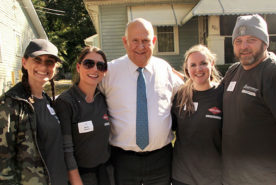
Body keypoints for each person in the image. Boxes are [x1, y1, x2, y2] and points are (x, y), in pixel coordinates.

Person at [99, 18, 183, 185]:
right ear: (125, 42)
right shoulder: (109, 72)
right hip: (123, 160)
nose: (141, 46)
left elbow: (187, 90)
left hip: (161, 159)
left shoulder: (164, 68)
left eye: (145, 41)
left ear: (154, 41)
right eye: (135, 41)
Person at [222, 14, 276, 185]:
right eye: (238, 41)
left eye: (251, 40)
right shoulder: (234, 71)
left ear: (265, 42)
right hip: (232, 177)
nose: (244, 46)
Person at [0, 39, 68, 185]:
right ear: (24, 62)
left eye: (49, 61)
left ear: (55, 68)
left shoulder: (47, 100)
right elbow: (3, 160)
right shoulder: (11, 102)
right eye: (37, 60)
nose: (43, 66)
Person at [54, 46, 112, 185]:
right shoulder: (65, 102)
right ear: (79, 67)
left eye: (100, 65)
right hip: (82, 176)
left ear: (104, 72)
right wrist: (75, 179)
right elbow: (66, 148)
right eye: (89, 64)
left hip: (106, 173)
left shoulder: (103, 99)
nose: (94, 69)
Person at [171, 44, 223, 185]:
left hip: (213, 177)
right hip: (182, 176)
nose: (198, 69)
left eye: (203, 63)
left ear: (211, 64)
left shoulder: (222, 94)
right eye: (193, 65)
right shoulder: (180, 95)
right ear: (187, 69)